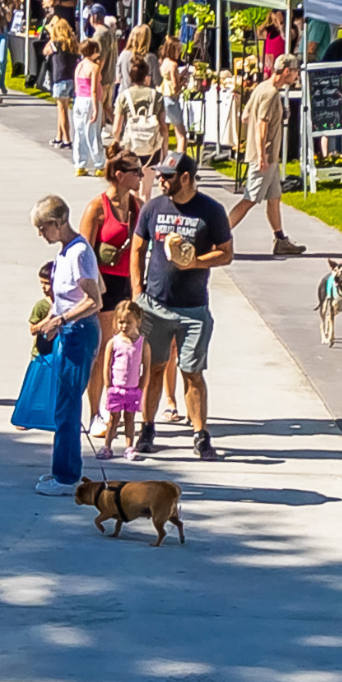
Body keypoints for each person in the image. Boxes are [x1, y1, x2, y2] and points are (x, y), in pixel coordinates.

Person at [130, 150, 233, 461]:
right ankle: (147, 429)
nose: (160, 179)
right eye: (160, 175)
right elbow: (137, 249)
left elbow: (226, 253)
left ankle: (201, 435)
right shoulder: (153, 207)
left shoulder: (211, 211)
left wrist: (195, 263)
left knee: (192, 372)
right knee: (155, 368)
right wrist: (138, 293)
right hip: (155, 305)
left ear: (186, 178)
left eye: (167, 176)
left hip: (193, 309)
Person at [28, 194, 103, 494]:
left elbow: (95, 299)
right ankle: (61, 469)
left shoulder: (79, 253)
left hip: (78, 333)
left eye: (43, 227)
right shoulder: (66, 252)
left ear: (57, 224)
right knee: (62, 404)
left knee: (68, 406)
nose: (41, 234)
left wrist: (61, 320)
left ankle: (68, 477)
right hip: (67, 333)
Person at [80, 148, 145, 422]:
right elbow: (83, 253)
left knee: (128, 348)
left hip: (128, 285)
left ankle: (119, 407)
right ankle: (95, 411)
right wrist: (90, 292)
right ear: (120, 176)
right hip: (104, 285)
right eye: (136, 172)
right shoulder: (98, 207)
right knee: (104, 349)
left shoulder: (137, 206)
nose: (142, 176)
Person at [225, 55, 306, 256]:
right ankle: (218, 235)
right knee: (250, 199)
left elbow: (245, 116)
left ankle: (280, 239)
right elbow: (262, 123)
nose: (296, 76)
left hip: (269, 158)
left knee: (274, 197)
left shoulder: (262, 88)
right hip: (264, 157)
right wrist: (262, 155)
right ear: (286, 70)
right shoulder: (270, 94)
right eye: (295, 71)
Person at [95, 299, 151, 461]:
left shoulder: (142, 344)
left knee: (130, 418)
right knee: (113, 419)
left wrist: (141, 386)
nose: (124, 326)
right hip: (116, 388)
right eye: (121, 322)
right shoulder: (113, 342)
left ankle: (129, 447)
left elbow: (146, 367)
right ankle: (107, 446)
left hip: (133, 388)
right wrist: (108, 385)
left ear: (138, 321)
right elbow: (107, 366)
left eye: (128, 322)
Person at [115, 55, 167, 197]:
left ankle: (134, 217)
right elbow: (163, 127)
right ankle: (145, 217)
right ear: (146, 77)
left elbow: (116, 129)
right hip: (152, 148)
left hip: (131, 147)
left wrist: (116, 146)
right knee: (146, 191)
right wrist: (165, 151)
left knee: (133, 191)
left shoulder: (124, 96)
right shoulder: (157, 96)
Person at [45, 16, 80, 146]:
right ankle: (58, 136)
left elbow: (45, 51)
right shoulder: (73, 43)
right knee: (62, 108)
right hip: (70, 78)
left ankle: (66, 139)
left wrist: (51, 36)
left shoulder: (57, 43)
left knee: (62, 110)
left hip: (60, 78)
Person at [72, 37, 104, 173]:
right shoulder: (94, 67)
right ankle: (99, 164)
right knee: (93, 132)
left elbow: (76, 86)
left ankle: (80, 163)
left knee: (79, 132)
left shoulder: (79, 65)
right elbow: (94, 89)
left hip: (79, 99)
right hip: (90, 100)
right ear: (94, 51)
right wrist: (96, 109)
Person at [158, 36, 188, 150]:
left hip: (162, 97)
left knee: (164, 132)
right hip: (171, 99)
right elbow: (175, 87)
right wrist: (183, 81)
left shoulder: (163, 61)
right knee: (181, 134)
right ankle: (181, 160)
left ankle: (163, 157)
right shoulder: (173, 65)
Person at [93, 11, 120, 133]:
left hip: (102, 77)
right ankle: (119, 130)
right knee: (107, 107)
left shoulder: (100, 34)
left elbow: (99, 58)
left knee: (100, 107)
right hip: (110, 75)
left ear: (93, 17)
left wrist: (96, 75)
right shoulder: (110, 32)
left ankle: (101, 132)